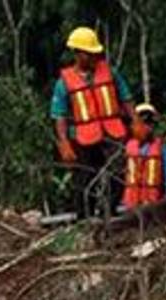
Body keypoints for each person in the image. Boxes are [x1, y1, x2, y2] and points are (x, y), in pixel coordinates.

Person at [50, 26, 142, 219]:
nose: (94, 57)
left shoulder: (110, 72)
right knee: (85, 178)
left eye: (95, 53)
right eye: (89, 53)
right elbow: (59, 114)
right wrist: (64, 142)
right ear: (77, 53)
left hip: (112, 131)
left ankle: (110, 211)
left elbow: (126, 97)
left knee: (118, 173)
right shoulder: (64, 82)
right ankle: (85, 217)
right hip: (84, 137)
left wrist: (135, 121)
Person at [120, 103, 166, 211]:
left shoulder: (163, 149)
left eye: (149, 123)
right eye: (137, 124)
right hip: (131, 206)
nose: (146, 127)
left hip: (154, 204)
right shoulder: (129, 148)